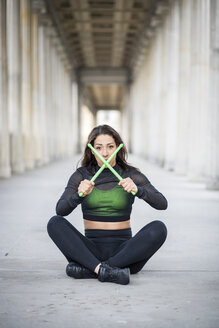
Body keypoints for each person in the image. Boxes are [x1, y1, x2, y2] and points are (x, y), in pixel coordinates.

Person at [47, 125, 168, 285]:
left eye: (110, 147)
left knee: (159, 228)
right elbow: (60, 210)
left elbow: (162, 204)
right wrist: (78, 195)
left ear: (118, 148)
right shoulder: (81, 175)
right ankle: (105, 271)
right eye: (99, 147)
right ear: (91, 150)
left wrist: (138, 190)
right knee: (54, 223)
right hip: (89, 251)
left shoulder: (130, 174)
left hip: (125, 253)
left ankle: (93, 270)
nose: (104, 153)